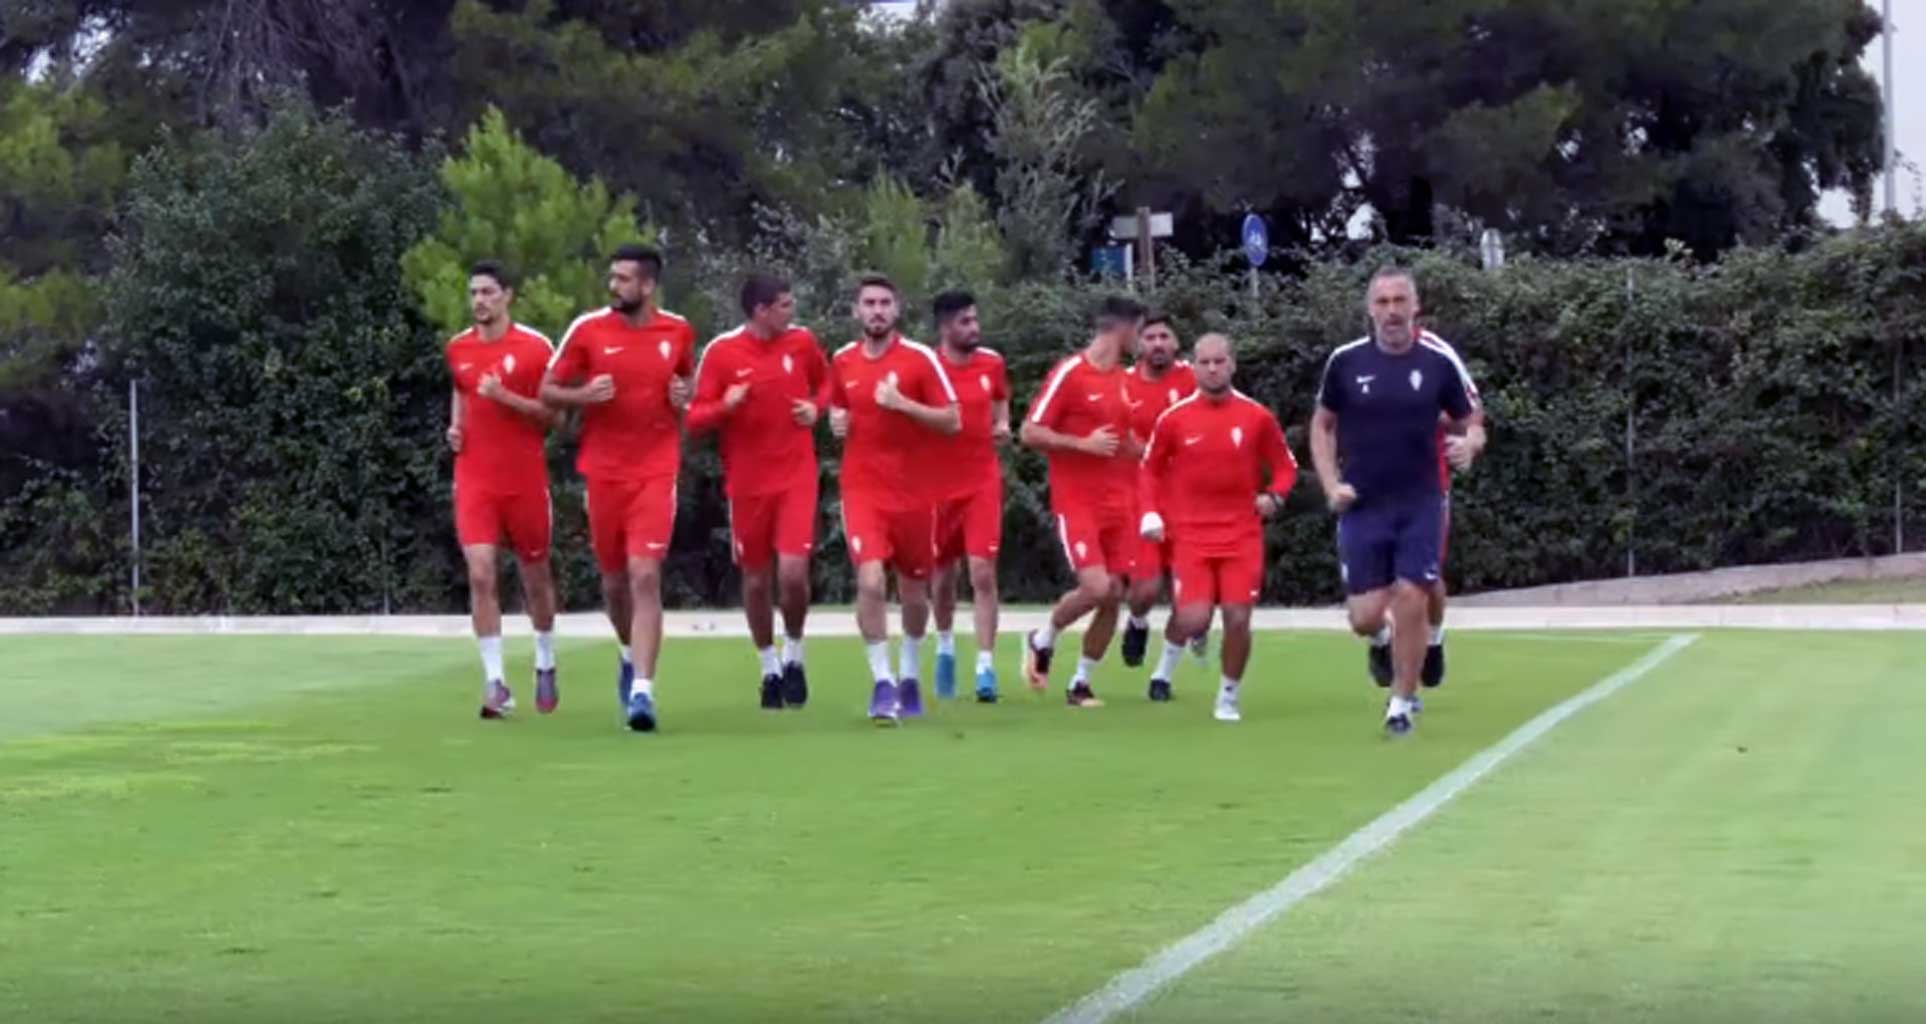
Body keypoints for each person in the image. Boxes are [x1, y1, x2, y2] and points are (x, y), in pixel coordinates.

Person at [1310, 267, 1482, 736]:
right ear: (1370, 309)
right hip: (1363, 502)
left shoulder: (1437, 361)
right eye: (1382, 302)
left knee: (1413, 593)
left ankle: (1402, 702)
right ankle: (1382, 640)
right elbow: (1321, 425)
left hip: (1422, 498)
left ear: (1415, 306)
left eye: (1399, 301)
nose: (1391, 311)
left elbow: (1472, 419)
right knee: (1364, 616)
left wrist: (1470, 443)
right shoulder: (1345, 362)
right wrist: (1330, 484)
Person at [540, 244, 696, 732]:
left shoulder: (678, 331)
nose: (615, 287)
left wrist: (683, 397)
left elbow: (687, 389)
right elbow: (547, 390)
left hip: (656, 469)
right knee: (613, 583)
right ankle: (628, 653)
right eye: (613, 278)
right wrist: (583, 396)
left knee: (645, 575)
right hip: (604, 473)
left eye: (625, 279)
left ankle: (644, 693)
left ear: (648, 286)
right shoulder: (588, 330)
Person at [686, 272, 830, 710]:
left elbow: (829, 384)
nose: (792, 312)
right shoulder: (723, 352)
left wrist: (816, 407)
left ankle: (795, 654)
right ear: (760, 311)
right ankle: (768, 668)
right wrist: (724, 406)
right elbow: (693, 418)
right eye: (784, 305)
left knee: (792, 573)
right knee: (755, 578)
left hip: (796, 476)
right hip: (747, 483)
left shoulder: (802, 343)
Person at [1138, 333, 1297, 722]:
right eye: (1204, 362)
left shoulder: (1256, 416)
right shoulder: (1174, 420)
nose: (1212, 369)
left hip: (1242, 533)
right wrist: (1150, 513)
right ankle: (1178, 651)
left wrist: (1274, 496)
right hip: (1190, 534)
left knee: (1238, 618)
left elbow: (1285, 466)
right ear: (1193, 366)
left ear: (1232, 364)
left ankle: (1228, 695)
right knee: (1194, 618)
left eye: (1219, 361)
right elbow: (1149, 470)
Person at [829, 274, 961, 723]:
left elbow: (952, 420)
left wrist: (904, 405)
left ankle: (909, 675)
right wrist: (835, 420)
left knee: (913, 591)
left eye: (885, 302)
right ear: (856, 311)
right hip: (862, 490)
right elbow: (837, 405)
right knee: (869, 582)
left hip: (916, 494)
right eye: (869, 303)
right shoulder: (843, 360)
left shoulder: (920, 360)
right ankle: (882, 683)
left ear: (897, 310)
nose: (877, 311)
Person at [444, 260, 561, 720]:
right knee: (480, 573)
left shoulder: (535, 348)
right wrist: (455, 427)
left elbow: (553, 417)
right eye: (474, 293)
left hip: (524, 479)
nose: (479, 301)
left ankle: (546, 659)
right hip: (475, 478)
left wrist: (505, 398)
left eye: (489, 292)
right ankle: (495, 683)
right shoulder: (459, 349)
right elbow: (460, 389)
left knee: (535, 575)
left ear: (508, 296)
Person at [1019, 295, 1146, 708]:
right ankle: (1043, 638)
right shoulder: (1071, 373)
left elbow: (1123, 442)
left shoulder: (1125, 380)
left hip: (1120, 503)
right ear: (1124, 328)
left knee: (1115, 595)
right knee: (1096, 586)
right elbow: (1030, 431)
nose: (1141, 341)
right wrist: (1082, 444)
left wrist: (1159, 453)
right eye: (1139, 331)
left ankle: (1080, 683)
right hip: (1078, 503)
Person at [927, 290, 1010, 703]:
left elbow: (1000, 401)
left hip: (982, 482)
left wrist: (1003, 425)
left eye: (975, 320)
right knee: (943, 575)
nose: (974, 328)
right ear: (945, 327)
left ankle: (985, 664)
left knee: (982, 571)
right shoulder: (927, 368)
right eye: (964, 322)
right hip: (938, 486)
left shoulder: (991, 363)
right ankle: (944, 646)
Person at [1118, 312, 1205, 700]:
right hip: (1146, 499)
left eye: (1164, 336)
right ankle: (1137, 621)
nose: (1156, 344)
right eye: (1149, 337)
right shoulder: (1124, 384)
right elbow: (1120, 438)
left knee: (1190, 597)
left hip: (1193, 501)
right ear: (1138, 345)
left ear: (1175, 343)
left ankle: (1163, 676)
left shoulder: (1192, 378)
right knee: (1146, 589)